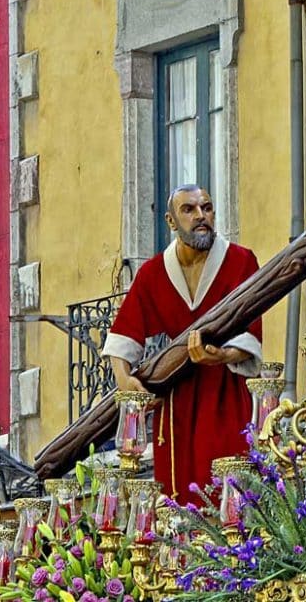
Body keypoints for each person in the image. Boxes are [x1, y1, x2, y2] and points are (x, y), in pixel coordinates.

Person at [103, 185, 263, 502]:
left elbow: (251, 330)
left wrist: (223, 355)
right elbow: (123, 336)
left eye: (207, 207)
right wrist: (126, 382)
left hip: (225, 394)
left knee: (228, 489)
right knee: (177, 503)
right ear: (171, 221)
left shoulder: (240, 261)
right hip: (175, 401)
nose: (201, 216)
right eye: (189, 209)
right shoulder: (154, 273)